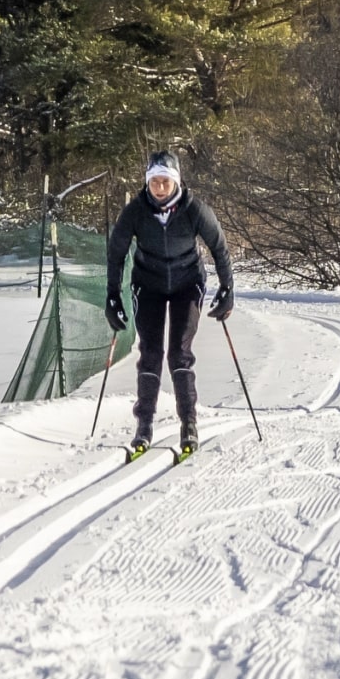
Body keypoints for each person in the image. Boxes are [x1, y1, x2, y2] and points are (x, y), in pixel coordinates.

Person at [105, 150, 234, 456]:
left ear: (175, 182)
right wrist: (112, 296)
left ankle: (188, 424)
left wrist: (228, 288)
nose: (159, 188)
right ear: (147, 183)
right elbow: (116, 254)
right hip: (148, 284)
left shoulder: (194, 209)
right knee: (150, 352)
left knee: (179, 352)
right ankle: (144, 426)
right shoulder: (135, 211)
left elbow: (219, 247)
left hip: (186, 284)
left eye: (165, 182)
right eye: (154, 182)